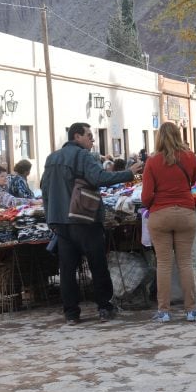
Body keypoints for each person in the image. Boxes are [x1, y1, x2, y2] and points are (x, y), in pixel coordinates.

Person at [42, 122, 144, 324]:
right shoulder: (83, 156)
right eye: (89, 135)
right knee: (97, 264)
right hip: (84, 218)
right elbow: (99, 177)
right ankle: (104, 308)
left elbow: (45, 189)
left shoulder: (51, 158)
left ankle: (71, 313)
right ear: (77, 136)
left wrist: (50, 217)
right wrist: (129, 172)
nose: (92, 139)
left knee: (68, 270)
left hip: (61, 222)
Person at [141, 121, 196, 323]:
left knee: (164, 264)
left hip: (160, 214)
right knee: (185, 263)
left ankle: (164, 311)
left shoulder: (152, 161)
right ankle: (191, 309)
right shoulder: (190, 157)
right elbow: (192, 181)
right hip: (185, 212)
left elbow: (146, 195)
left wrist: (152, 205)